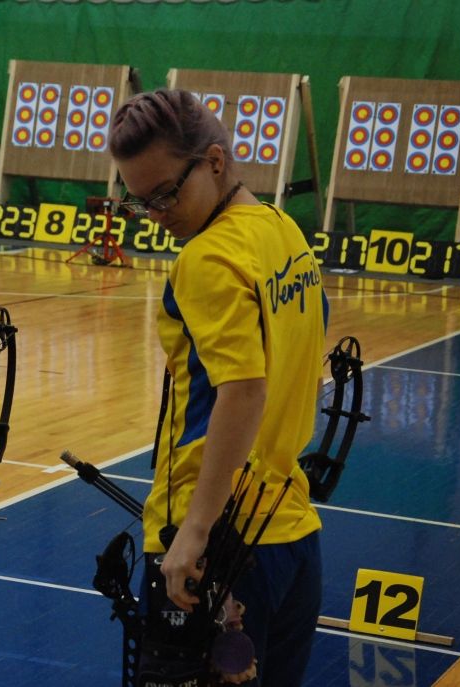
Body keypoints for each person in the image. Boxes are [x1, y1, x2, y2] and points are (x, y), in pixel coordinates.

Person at [108, 89, 328, 686]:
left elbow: (245, 390)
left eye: (164, 193)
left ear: (213, 161)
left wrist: (195, 532)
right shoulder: (284, 232)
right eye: (138, 200)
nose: (153, 213)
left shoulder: (207, 257)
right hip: (290, 532)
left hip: (214, 546)